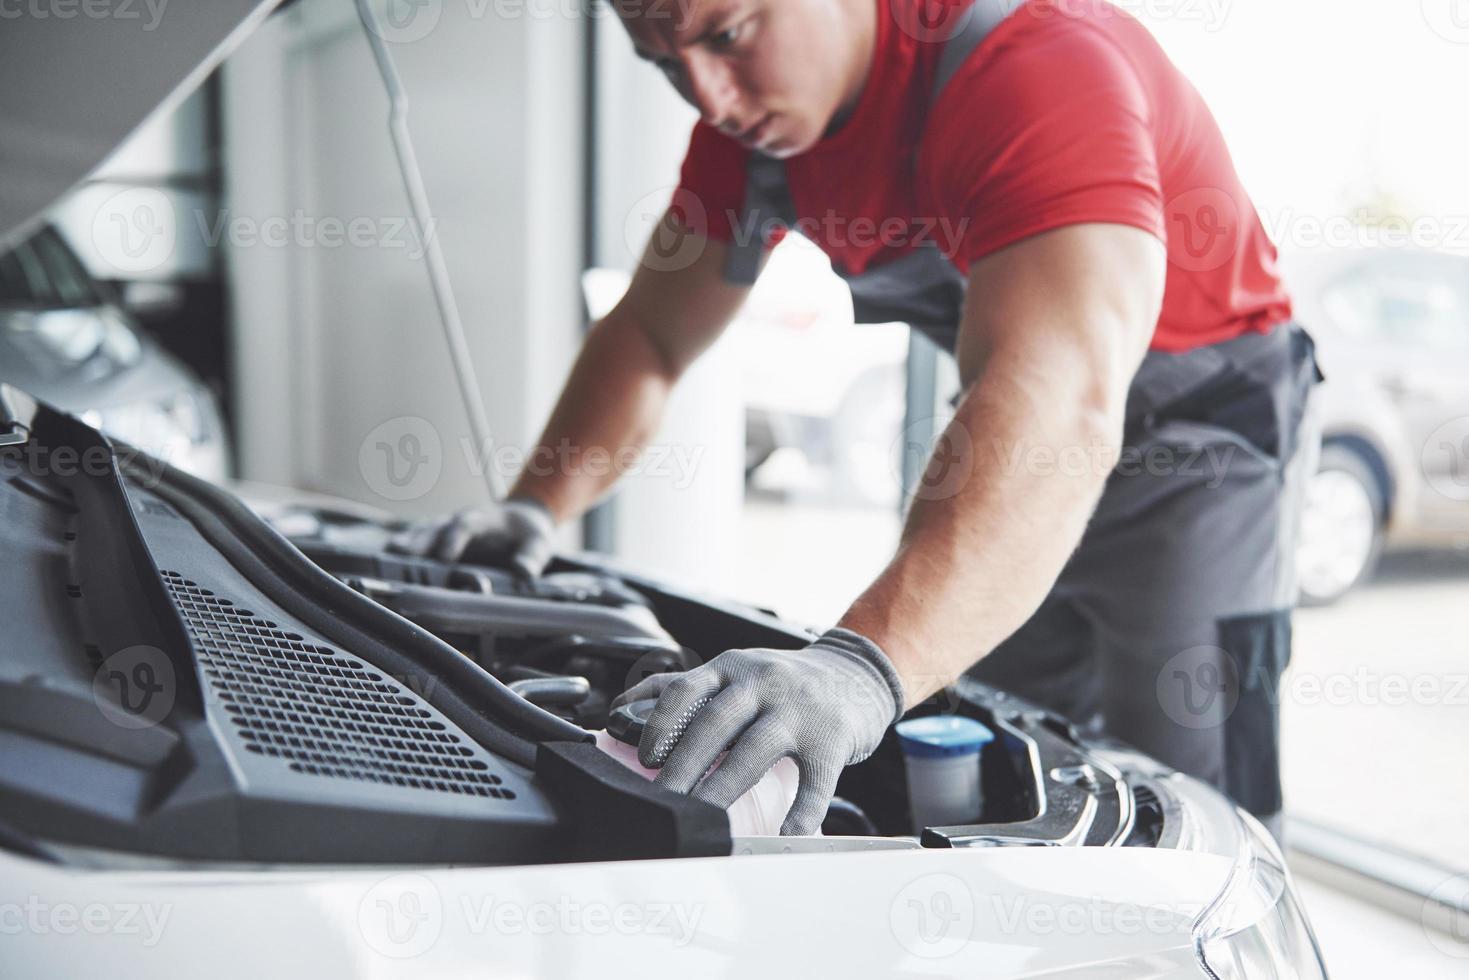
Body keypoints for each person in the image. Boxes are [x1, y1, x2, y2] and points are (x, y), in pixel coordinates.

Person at [412, 0, 1319, 837]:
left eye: (726, 34)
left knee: (1194, 800)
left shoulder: (1035, 68)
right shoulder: (750, 140)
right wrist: (536, 504)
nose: (708, 95)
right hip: (1023, 424)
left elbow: (1067, 401)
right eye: (664, 63)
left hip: (1200, 440)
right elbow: (652, 333)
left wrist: (858, 666)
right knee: (1017, 769)